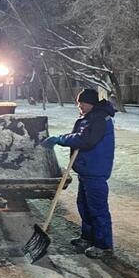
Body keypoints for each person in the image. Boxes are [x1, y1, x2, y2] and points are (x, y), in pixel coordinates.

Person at [42, 88, 116, 258]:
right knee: (84, 206)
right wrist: (66, 137)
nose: (79, 106)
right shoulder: (90, 117)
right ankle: (88, 238)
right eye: (78, 103)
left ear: (90, 103)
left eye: (81, 103)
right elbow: (80, 135)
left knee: (97, 209)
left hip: (95, 171)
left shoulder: (99, 119)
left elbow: (86, 140)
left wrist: (60, 139)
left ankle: (103, 246)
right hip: (86, 170)